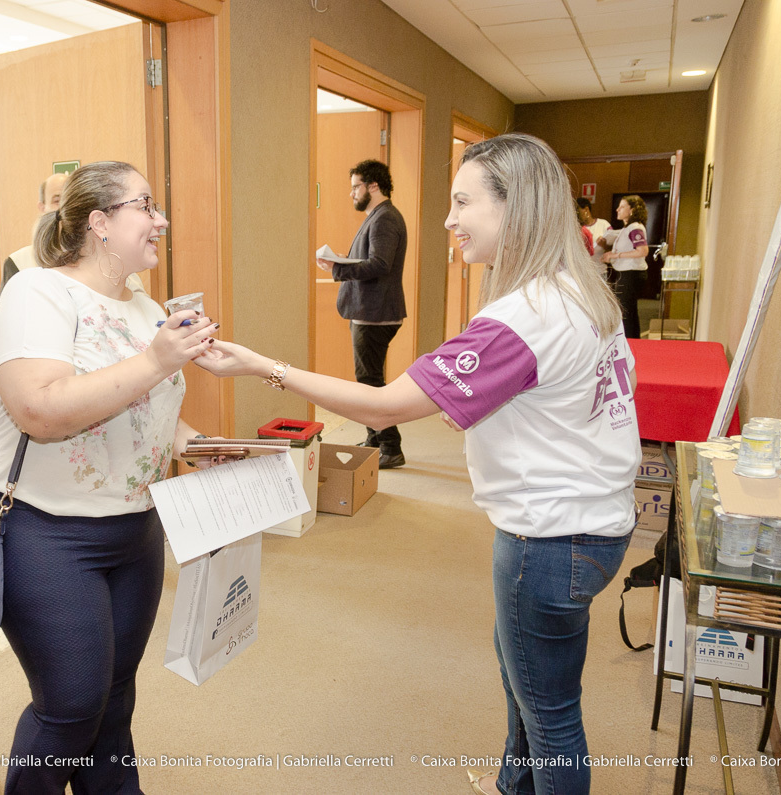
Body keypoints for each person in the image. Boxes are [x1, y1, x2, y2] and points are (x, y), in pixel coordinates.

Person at [198, 133, 638, 795]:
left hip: (551, 538)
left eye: (463, 202)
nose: (448, 218)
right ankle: (512, 784)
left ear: (515, 206)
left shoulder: (523, 319)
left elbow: (385, 404)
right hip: (596, 522)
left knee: (549, 711)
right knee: (523, 671)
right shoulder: (578, 291)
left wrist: (265, 367)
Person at [0, 161, 219, 794]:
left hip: (133, 527)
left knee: (115, 695)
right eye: (146, 206)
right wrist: (155, 360)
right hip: (42, 527)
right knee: (72, 705)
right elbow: (39, 410)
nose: (162, 220)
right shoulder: (37, 292)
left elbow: (148, 408)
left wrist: (203, 447)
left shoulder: (146, 307)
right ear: (100, 223)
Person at [316, 158, 408, 469]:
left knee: (369, 383)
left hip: (375, 313)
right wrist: (343, 260)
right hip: (370, 311)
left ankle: (390, 446)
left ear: (373, 185)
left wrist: (338, 268)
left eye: (356, 187)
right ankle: (375, 440)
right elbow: (372, 259)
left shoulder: (385, 218)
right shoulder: (379, 216)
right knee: (368, 379)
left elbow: (380, 264)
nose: (352, 193)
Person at [0, 172, 67, 286]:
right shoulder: (18, 263)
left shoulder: (91, 259)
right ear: (42, 207)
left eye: (69, 199)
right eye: (57, 201)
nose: (64, 207)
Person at [598, 194, 649, 339]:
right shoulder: (627, 228)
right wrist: (610, 256)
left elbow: (642, 251)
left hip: (631, 274)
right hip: (626, 272)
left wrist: (615, 256)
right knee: (628, 311)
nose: (617, 210)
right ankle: (632, 340)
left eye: (622, 207)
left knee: (626, 311)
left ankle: (629, 340)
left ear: (632, 210)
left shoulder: (635, 228)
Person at [576, 197, 611, 274]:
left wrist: (604, 245)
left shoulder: (604, 224)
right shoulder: (576, 229)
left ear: (586, 209)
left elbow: (614, 247)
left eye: (577, 211)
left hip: (600, 271)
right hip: (582, 272)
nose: (576, 214)